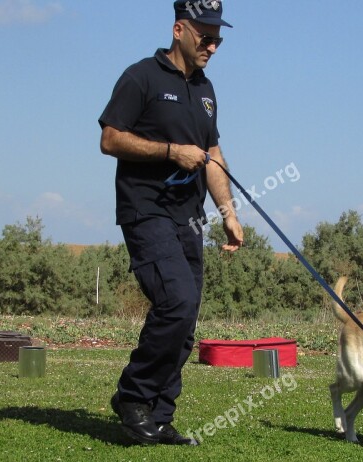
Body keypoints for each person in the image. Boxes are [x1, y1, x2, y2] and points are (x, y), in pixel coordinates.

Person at [97, 0, 243, 446]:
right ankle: (133, 397)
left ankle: (159, 416)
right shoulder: (140, 76)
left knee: (186, 318)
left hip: (190, 218)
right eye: (206, 36)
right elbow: (109, 139)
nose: (213, 46)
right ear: (180, 29)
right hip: (146, 211)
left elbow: (214, 156)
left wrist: (229, 213)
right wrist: (169, 151)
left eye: (219, 38)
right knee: (176, 302)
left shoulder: (206, 89)